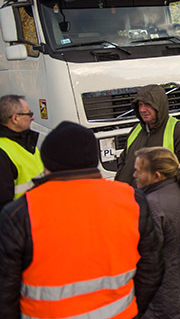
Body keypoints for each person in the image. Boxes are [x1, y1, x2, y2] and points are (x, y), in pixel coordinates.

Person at [0, 121, 164, 317]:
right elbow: (152, 269)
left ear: (48, 163)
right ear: (93, 160)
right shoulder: (132, 200)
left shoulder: (19, 213)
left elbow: (6, 293)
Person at [133, 146, 180, 319]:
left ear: (156, 176)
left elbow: (146, 258)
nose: (134, 175)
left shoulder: (151, 205)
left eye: (138, 171)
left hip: (161, 298)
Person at [116, 84, 180, 185]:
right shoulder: (136, 130)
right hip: (129, 197)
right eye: (140, 105)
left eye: (147, 104)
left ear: (159, 105)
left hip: (159, 198)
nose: (142, 110)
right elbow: (123, 161)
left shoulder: (179, 132)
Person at [0, 95, 44, 211]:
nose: (32, 118)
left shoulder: (27, 141)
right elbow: (4, 205)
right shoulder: (3, 151)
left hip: (38, 217)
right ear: (15, 118)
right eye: (29, 114)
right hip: (23, 223)